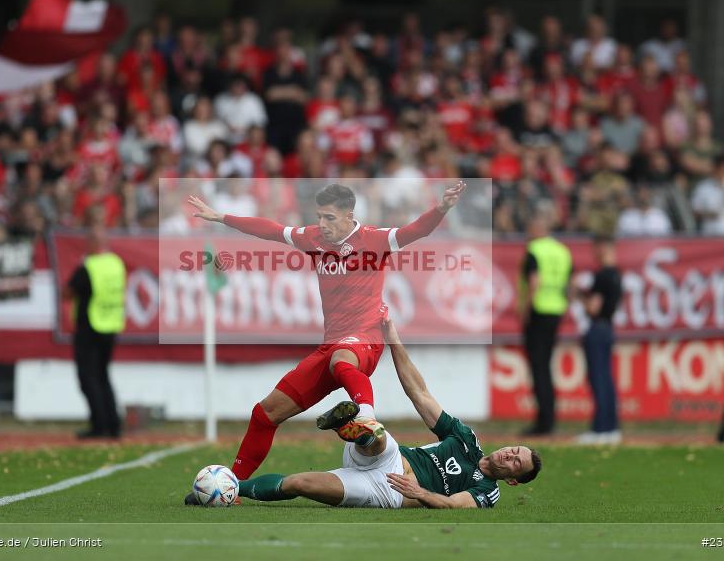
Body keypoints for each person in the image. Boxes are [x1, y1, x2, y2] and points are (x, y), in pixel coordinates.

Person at [186, 181, 466, 488]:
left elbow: (417, 230)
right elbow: (270, 229)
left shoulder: (375, 239)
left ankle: (366, 418)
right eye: (320, 216)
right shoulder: (314, 238)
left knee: (341, 358)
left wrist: (441, 208)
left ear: (349, 216)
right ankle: (231, 485)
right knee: (265, 414)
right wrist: (221, 217)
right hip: (331, 348)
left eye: (329, 218)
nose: (322, 224)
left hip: (366, 339)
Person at [233, 318, 542, 509]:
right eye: (514, 451)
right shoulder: (466, 439)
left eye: (516, 462)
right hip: (387, 458)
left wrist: (420, 493)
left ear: (513, 480)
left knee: (298, 484)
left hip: (387, 493)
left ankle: (229, 488)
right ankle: (356, 428)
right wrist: (393, 337)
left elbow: (452, 505)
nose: (509, 456)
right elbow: (419, 393)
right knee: (381, 438)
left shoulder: (488, 491)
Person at [63, 224, 126, 439]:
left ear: (92, 243)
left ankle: (99, 426)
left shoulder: (89, 266)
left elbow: (68, 292)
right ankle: (113, 424)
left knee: (88, 378)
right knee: (103, 375)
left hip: (90, 325)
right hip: (111, 325)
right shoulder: (116, 263)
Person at [518, 215, 572, 436]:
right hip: (556, 311)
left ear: (536, 228)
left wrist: (526, 310)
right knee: (546, 367)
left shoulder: (534, 250)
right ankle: (549, 419)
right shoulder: (562, 251)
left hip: (539, 311)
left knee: (538, 368)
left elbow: (534, 282)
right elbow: (570, 284)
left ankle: (543, 423)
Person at [576, 236, 623, 445]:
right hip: (608, 328)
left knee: (598, 379)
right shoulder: (616, 275)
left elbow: (593, 308)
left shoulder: (602, 275)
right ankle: (611, 428)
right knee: (607, 379)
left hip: (597, 328)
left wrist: (579, 294)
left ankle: (600, 429)